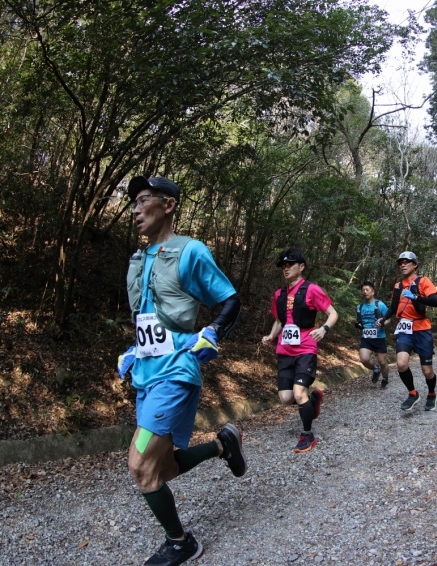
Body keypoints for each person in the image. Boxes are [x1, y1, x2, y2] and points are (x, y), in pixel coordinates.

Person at [117, 175, 247, 566]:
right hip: (145, 375)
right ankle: (223, 445)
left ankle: (181, 542)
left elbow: (230, 300)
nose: (136, 209)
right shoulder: (140, 259)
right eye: (133, 203)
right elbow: (150, 319)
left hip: (175, 374)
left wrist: (213, 331)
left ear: (168, 205)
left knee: (140, 464)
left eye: (144, 200)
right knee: (163, 466)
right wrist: (135, 349)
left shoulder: (190, 251)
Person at [262, 248, 338, 453]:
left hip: (305, 348)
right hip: (285, 351)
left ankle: (307, 435)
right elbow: (280, 321)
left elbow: (332, 313)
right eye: (283, 266)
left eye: (290, 265)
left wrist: (323, 329)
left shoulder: (312, 290)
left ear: (301, 266)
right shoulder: (279, 294)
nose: (285, 269)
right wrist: (271, 336)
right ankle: (312, 402)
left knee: (298, 392)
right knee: (286, 398)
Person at [376, 251, 437, 411]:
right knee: (401, 364)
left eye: (406, 262)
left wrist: (416, 297)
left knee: (427, 371)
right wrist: (383, 319)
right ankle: (413, 393)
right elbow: (393, 307)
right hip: (405, 329)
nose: (403, 265)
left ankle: (431, 394)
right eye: (400, 263)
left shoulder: (423, 281)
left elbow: (435, 301)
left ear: (415, 264)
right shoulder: (398, 286)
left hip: (422, 329)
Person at [355, 281, 390, 389]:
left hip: (379, 337)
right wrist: (359, 324)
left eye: (367, 290)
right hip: (366, 337)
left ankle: (385, 379)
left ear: (373, 292)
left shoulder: (380, 305)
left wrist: (383, 323)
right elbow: (359, 321)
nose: (364, 292)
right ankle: (376, 369)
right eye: (363, 290)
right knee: (364, 359)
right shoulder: (360, 307)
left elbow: (388, 319)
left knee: (382, 361)